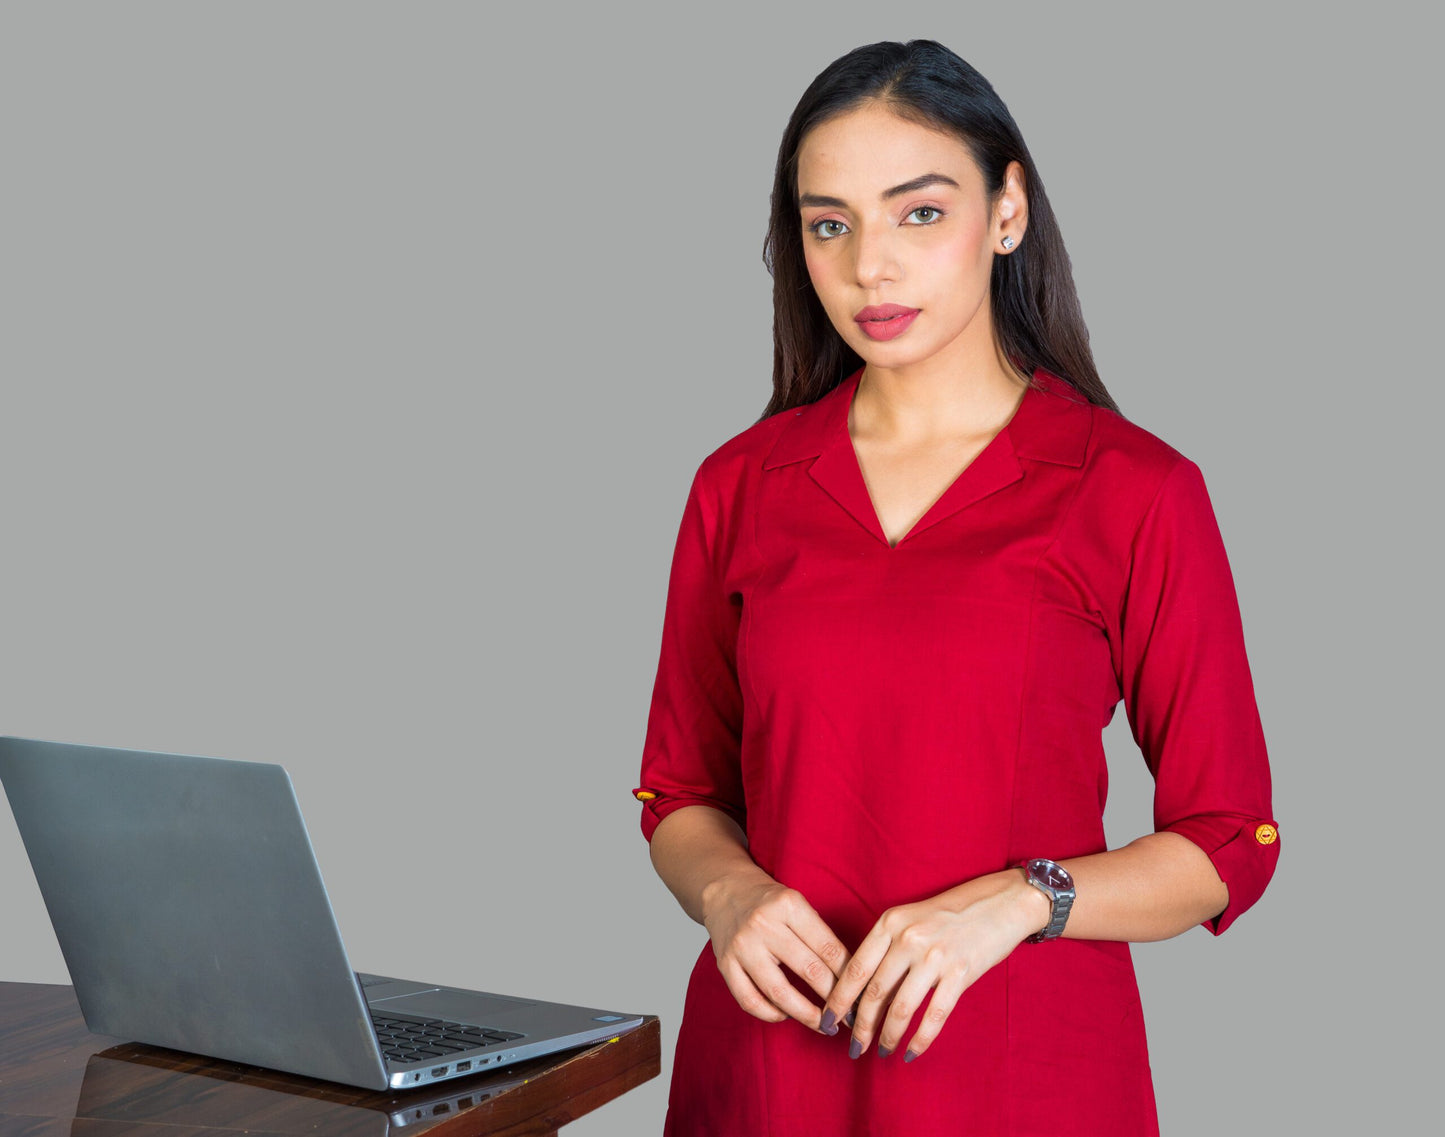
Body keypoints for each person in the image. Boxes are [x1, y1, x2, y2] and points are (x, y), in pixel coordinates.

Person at [632, 39, 1279, 1136]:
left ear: (1007, 210)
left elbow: (1227, 838)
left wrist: (1025, 899)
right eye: (828, 224)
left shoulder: (1132, 490)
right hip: (765, 1075)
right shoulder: (738, 487)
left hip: (1019, 1076)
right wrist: (726, 893)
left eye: (917, 213)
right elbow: (676, 793)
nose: (868, 268)